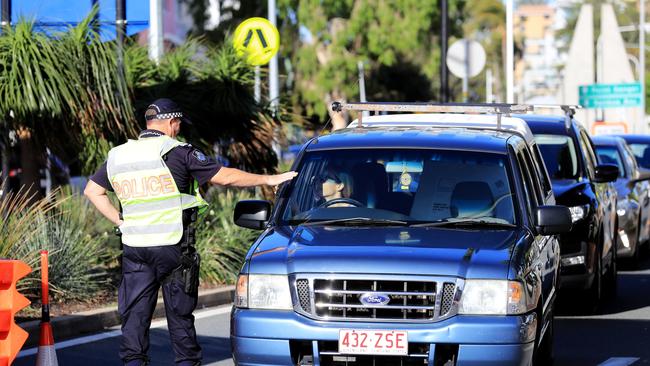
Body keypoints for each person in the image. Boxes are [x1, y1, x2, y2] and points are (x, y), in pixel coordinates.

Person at [83, 98, 297, 366]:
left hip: (135, 248)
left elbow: (92, 191)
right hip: (172, 247)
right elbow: (225, 177)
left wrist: (121, 221)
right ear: (172, 122)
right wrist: (269, 179)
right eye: (178, 124)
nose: (179, 128)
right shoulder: (177, 151)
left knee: (134, 321)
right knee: (180, 321)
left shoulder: (119, 155)